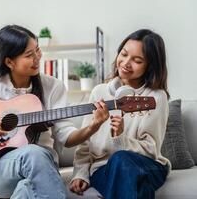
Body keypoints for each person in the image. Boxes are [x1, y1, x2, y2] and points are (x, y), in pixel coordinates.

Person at [0, 24, 109, 199]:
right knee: (33, 152)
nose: (37, 58)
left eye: (37, 50)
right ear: (9, 62)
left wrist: (93, 126)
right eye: (29, 55)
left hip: (44, 168)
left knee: (27, 187)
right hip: (0, 173)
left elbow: (66, 137)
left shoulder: (53, 87)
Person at [69, 29, 171, 199]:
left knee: (121, 159)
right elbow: (85, 143)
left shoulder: (155, 97)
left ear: (150, 65)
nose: (126, 63)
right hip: (103, 169)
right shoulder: (98, 91)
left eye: (137, 60)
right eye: (123, 54)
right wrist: (80, 173)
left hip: (147, 165)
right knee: (139, 186)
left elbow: (151, 149)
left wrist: (121, 138)